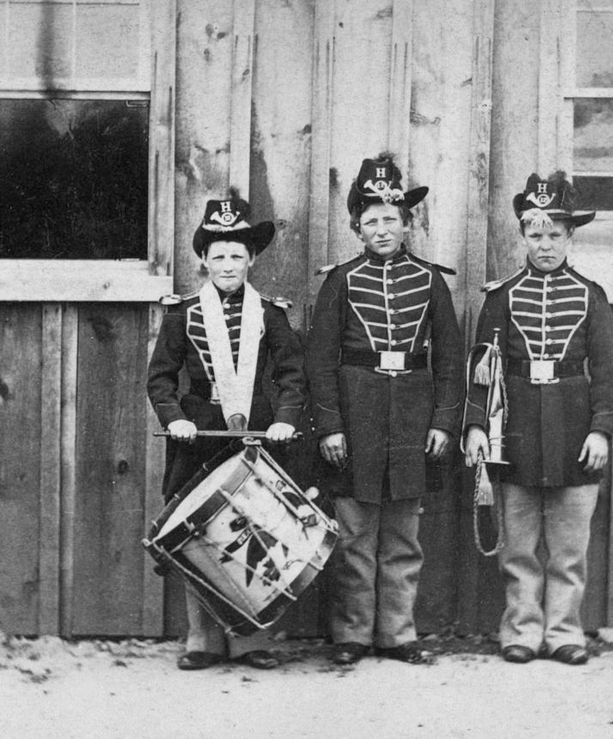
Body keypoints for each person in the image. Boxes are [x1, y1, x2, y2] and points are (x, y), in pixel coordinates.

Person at [305, 154, 462, 666]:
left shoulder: (430, 282)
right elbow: (320, 364)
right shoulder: (341, 282)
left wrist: (442, 422)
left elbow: (451, 363)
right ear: (356, 226)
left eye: (390, 218)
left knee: (402, 536)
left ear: (407, 221)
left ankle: (397, 633)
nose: (381, 228)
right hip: (356, 417)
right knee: (354, 535)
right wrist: (329, 426)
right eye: (370, 220)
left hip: (413, 420)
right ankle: (352, 634)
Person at [463, 171, 613, 666]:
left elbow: (607, 374)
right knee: (520, 547)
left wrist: (601, 430)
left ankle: (564, 632)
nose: (545, 244)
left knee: (570, 548)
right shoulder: (502, 296)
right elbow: (483, 373)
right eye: (536, 234)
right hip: (517, 429)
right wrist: (475, 428)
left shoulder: (591, 296)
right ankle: (523, 631)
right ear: (523, 237)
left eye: (555, 234)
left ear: (570, 236)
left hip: (575, 426)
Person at [147, 197, 307, 670]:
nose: (228, 264)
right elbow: (160, 377)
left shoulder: (270, 314)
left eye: (237, 255)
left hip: (257, 432)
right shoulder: (184, 313)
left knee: (253, 531)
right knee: (200, 533)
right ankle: (202, 638)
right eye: (218, 255)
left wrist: (285, 418)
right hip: (200, 433)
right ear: (204, 259)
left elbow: (292, 374)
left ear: (251, 259)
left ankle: (250, 639)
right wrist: (174, 416)